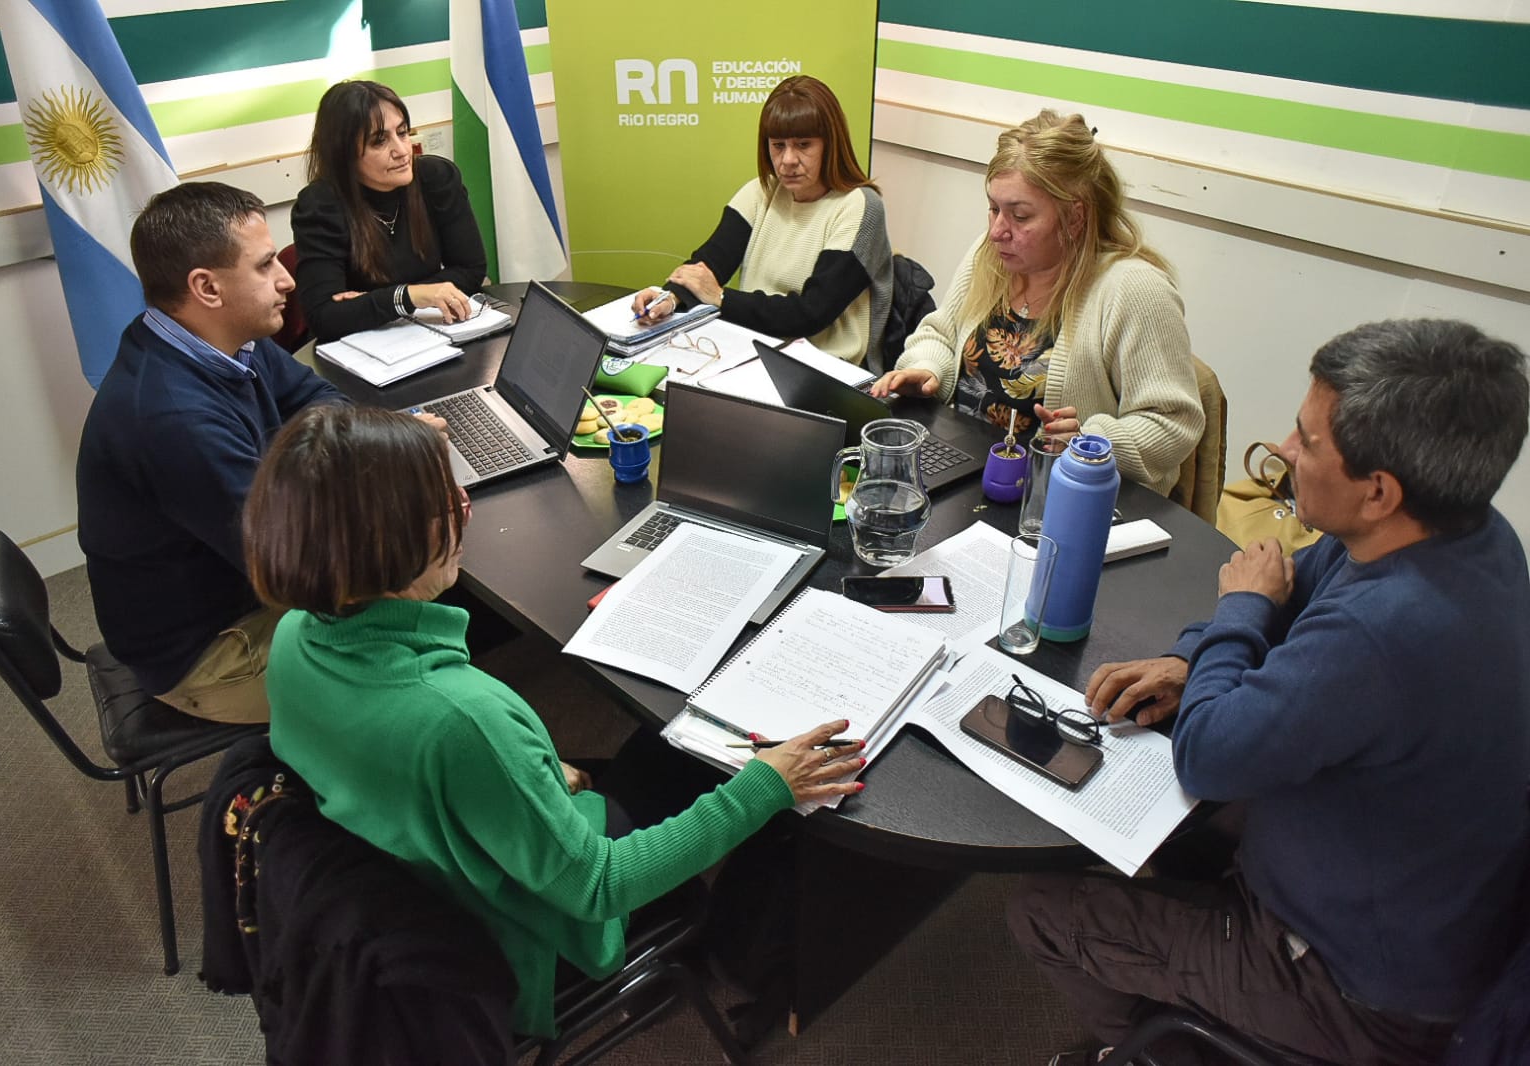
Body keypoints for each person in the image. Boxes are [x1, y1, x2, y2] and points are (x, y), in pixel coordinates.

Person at [242, 403, 864, 1037]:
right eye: (445, 500)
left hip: (426, 865)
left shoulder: (295, 638)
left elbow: (427, 760)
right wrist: (764, 788)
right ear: (390, 540)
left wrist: (523, 777)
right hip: (522, 935)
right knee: (725, 766)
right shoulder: (462, 720)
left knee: (660, 746)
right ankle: (756, 961)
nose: (466, 507)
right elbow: (599, 886)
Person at [1007, 319, 1530, 1066]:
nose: (1284, 449)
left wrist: (1239, 614)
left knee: (1043, 911)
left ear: (1378, 491)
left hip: (1353, 991)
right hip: (1428, 913)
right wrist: (1195, 658)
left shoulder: (1381, 633)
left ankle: (1146, 1053)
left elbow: (1210, 755)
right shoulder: (1472, 534)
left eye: (1308, 439)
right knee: (1176, 818)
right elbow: (1294, 585)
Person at [75, 182, 345, 724]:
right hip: (212, 653)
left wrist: (381, 447)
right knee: (402, 630)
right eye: (266, 265)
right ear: (207, 287)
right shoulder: (169, 416)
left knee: (426, 591)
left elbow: (318, 398)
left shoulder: (220, 337)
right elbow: (293, 565)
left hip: (241, 578)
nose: (287, 278)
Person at [871, 110, 1202, 495]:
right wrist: (928, 369)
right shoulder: (992, 256)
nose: (997, 231)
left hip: (1058, 500)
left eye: (1020, 215)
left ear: (1075, 217)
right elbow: (940, 333)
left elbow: (1173, 423)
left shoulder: (1135, 290)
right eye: (994, 208)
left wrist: (1089, 441)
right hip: (966, 474)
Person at [631, 74, 892, 367]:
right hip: (755, 350)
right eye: (778, 145)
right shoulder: (761, 190)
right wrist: (670, 298)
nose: (788, 160)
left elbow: (811, 314)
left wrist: (720, 298)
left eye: (803, 145)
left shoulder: (860, 206)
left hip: (832, 368)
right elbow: (710, 263)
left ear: (830, 145)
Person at [291, 80, 488, 343]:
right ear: (344, 154)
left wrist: (373, 302)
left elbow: (471, 270)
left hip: (431, 336)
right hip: (364, 351)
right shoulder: (320, 206)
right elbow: (325, 317)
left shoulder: (437, 178)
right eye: (379, 141)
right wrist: (411, 296)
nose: (402, 151)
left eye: (403, 132)